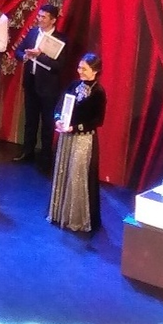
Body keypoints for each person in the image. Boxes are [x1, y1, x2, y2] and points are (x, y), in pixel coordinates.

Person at [49, 53, 106, 232]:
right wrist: (58, 119)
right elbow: (60, 106)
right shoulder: (73, 85)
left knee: (77, 175)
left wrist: (75, 128)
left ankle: (76, 216)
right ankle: (60, 213)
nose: (79, 71)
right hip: (66, 137)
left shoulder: (98, 92)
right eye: (79, 67)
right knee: (63, 171)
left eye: (84, 68)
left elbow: (98, 120)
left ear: (94, 71)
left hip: (83, 139)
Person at [14, 4, 67, 163]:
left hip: (48, 87)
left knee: (47, 123)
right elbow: (18, 51)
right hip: (31, 82)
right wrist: (25, 56)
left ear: (53, 20)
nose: (40, 19)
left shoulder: (60, 39)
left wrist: (39, 56)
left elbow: (59, 65)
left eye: (44, 17)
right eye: (39, 16)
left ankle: (45, 156)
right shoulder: (33, 32)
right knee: (30, 120)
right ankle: (27, 152)